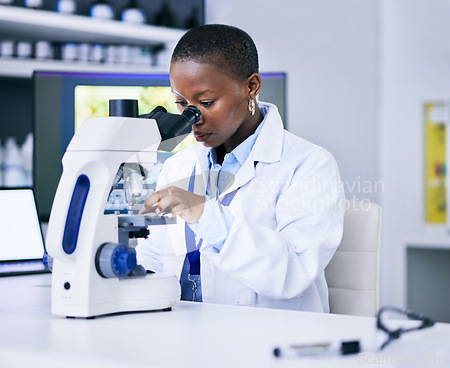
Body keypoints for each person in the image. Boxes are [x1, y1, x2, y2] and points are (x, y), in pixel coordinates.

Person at [136, 24, 345, 313]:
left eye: (206, 102)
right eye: (181, 103)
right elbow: (154, 258)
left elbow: (293, 274)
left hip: (270, 344)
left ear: (251, 87)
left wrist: (204, 213)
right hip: (186, 337)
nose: (192, 118)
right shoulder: (176, 167)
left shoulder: (308, 165)